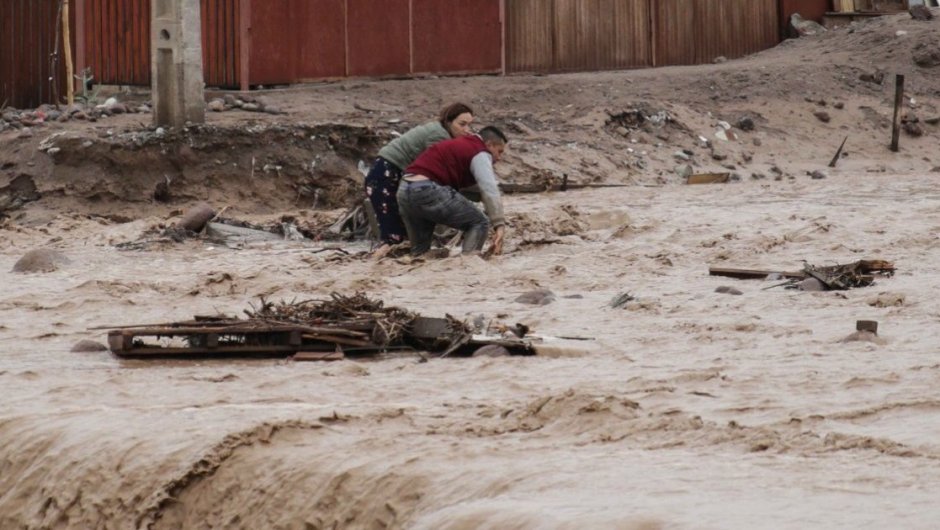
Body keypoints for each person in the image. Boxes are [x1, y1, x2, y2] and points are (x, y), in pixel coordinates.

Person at [364, 103, 474, 258]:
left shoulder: (439, 130)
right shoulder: (439, 136)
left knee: (399, 233)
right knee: (393, 236)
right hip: (387, 174)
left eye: (469, 125)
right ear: (449, 122)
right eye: (462, 124)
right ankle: (373, 267)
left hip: (387, 172)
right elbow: (438, 171)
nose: (467, 130)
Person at [396, 126, 508, 257]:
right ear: (489, 144)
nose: (499, 158)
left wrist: (487, 203)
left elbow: (470, 190)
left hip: (404, 190)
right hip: (427, 189)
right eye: (499, 151)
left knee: (420, 253)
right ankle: (468, 264)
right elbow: (488, 188)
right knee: (479, 222)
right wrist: (499, 224)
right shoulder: (480, 151)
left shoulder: (461, 145)